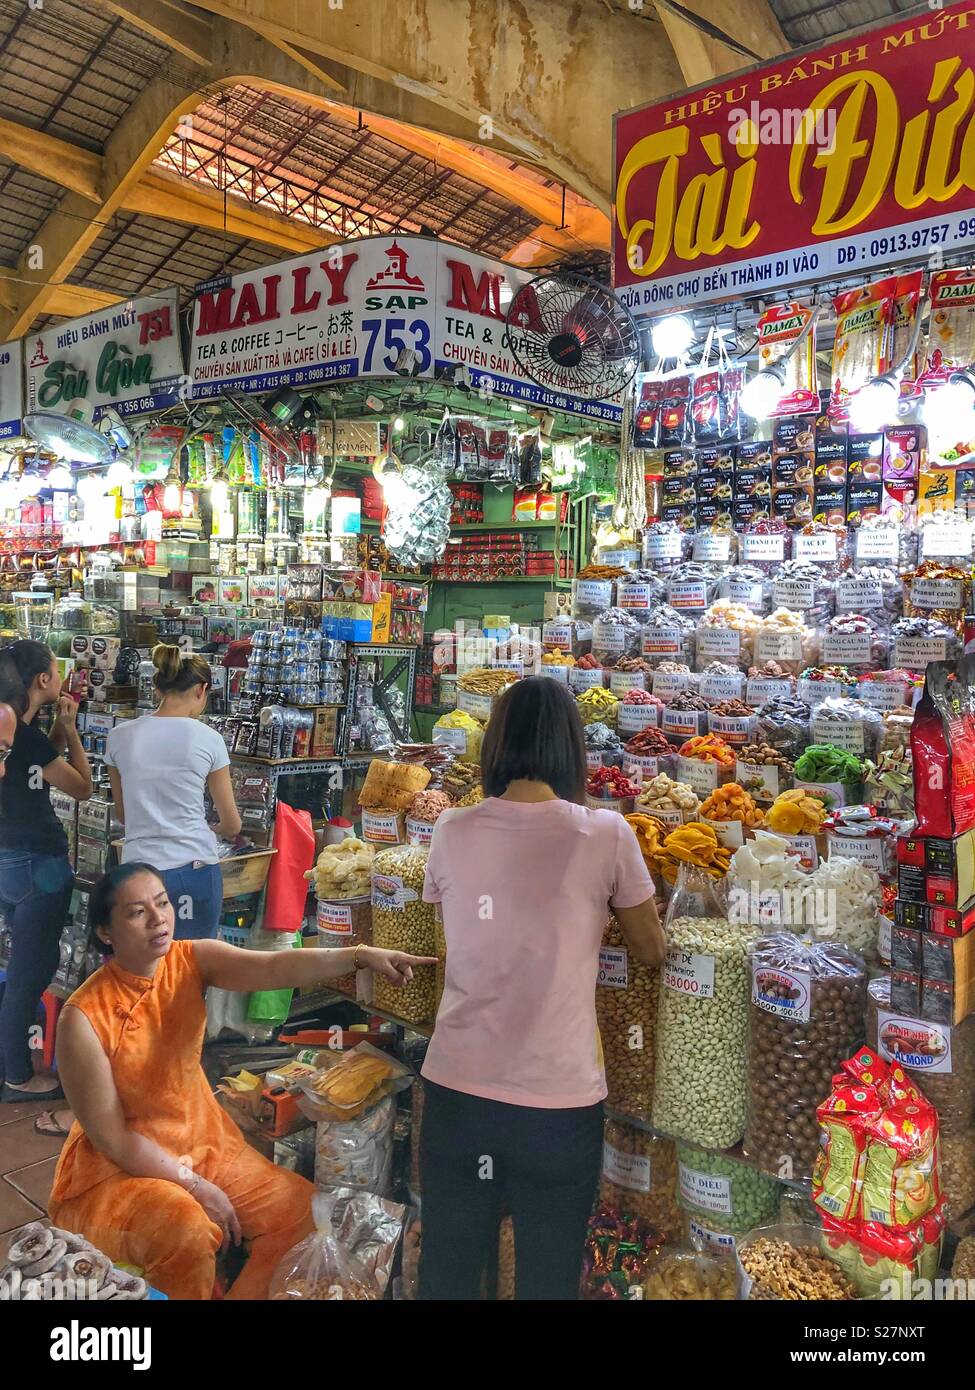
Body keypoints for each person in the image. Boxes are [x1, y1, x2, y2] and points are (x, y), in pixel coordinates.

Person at [50, 862, 436, 1300]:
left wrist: (359, 956)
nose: (159, 919)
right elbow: (116, 1141)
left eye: (162, 903)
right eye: (137, 912)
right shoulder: (82, 1018)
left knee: (301, 1212)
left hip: (203, 1142)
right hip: (118, 1170)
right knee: (188, 1231)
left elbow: (273, 968)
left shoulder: (189, 959)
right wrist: (195, 1186)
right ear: (106, 931)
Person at [418, 676, 666, 1301]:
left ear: (495, 746)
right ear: (570, 751)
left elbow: (456, 946)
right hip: (556, 1107)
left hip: (456, 1092)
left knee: (447, 1270)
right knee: (548, 1278)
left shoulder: (450, 828)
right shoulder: (608, 834)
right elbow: (653, 949)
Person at [0, 641, 92, 1104]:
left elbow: (35, 768)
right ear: (41, 681)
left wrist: (57, 726)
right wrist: (73, 731)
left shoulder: (13, 727)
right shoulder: (26, 735)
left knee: (19, 965)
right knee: (30, 971)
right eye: (57, 671)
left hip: (9, 862)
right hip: (39, 865)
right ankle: (15, 1074)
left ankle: (10, 1060)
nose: (61, 677)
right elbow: (81, 787)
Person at [105, 643, 242, 941]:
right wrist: (211, 827)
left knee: (145, 974)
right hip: (193, 870)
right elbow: (233, 825)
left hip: (137, 873)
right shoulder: (209, 739)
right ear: (201, 690)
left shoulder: (118, 737)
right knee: (192, 970)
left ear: (157, 686)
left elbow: (124, 814)